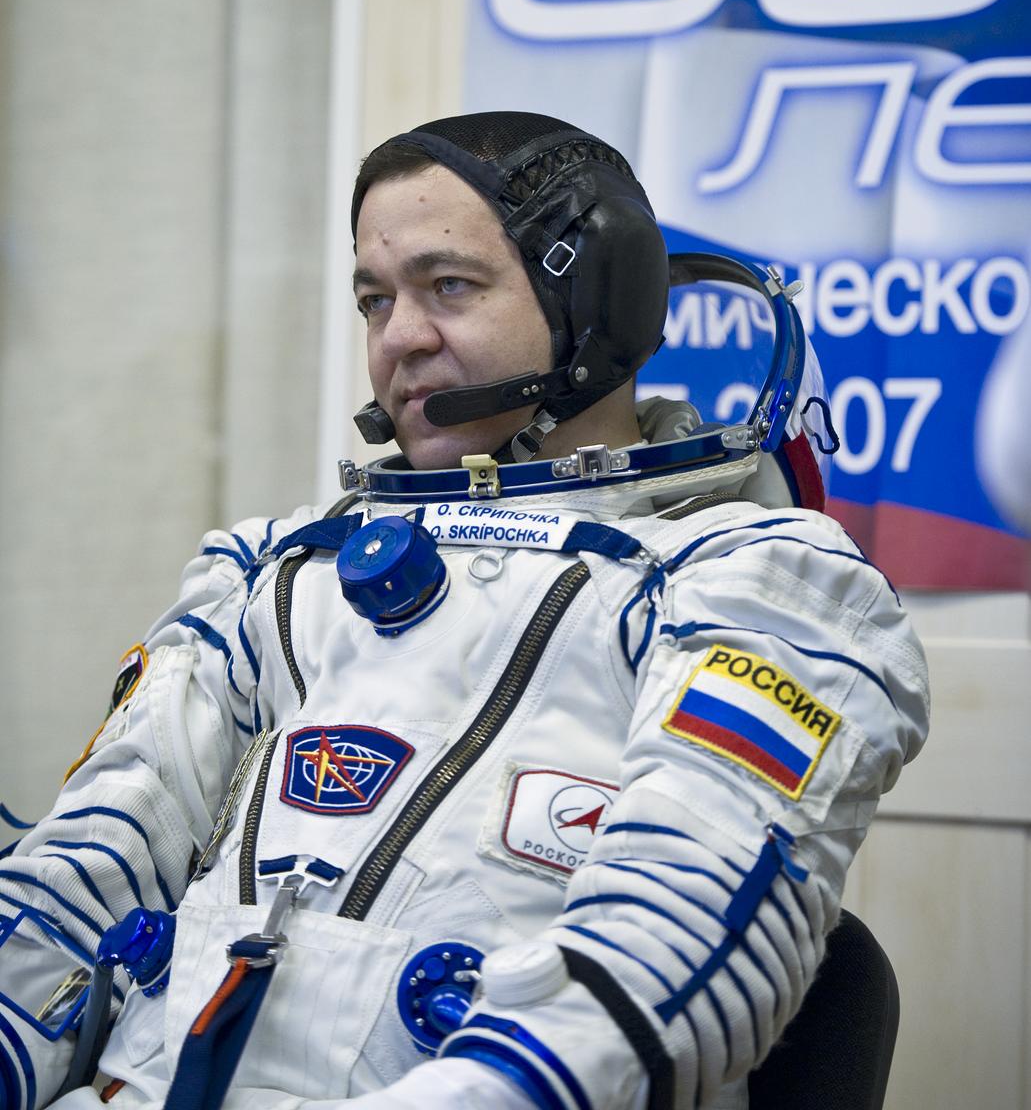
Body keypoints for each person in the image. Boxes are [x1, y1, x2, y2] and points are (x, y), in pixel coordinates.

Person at [0, 112, 929, 1110]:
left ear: (595, 300)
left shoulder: (756, 584)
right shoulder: (269, 574)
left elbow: (667, 962)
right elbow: (76, 879)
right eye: (373, 298)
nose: (397, 337)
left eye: (449, 286)